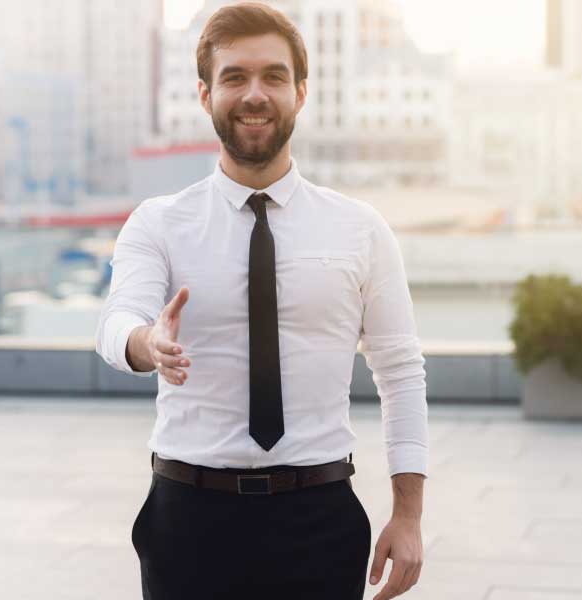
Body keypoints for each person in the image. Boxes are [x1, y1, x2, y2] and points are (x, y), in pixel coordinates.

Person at [94, 3, 428, 599]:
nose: (255, 93)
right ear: (204, 95)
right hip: (188, 521)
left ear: (301, 92)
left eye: (274, 76)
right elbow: (118, 323)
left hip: (320, 520)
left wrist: (408, 516)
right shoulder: (159, 223)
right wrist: (149, 342)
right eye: (234, 77)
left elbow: (400, 374)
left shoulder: (360, 228)